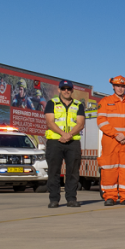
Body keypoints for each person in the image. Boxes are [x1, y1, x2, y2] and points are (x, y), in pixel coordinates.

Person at [97, 75, 125, 206]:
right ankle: (109, 197)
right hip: (111, 140)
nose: (120, 89)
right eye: (118, 86)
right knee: (109, 169)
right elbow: (101, 121)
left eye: (122, 86)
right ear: (113, 86)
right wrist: (116, 134)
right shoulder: (105, 101)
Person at [43, 79, 85, 208]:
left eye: (68, 89)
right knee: (54, 171)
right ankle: (54, 199)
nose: (66, 91)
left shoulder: (78, 105)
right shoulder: (52, 103)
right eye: (63, 88)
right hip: (55, 141)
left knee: (72, 172)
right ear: (59, 90)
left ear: (72, 90)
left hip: (72, 142)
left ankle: (71, 199)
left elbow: (80, 123)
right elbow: (50, 122)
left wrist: (69, 135)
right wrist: (63, 134)